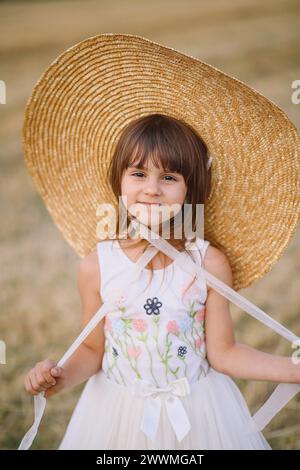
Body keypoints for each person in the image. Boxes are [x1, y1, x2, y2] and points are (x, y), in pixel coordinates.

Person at [20, 34, 300, 450]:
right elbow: (93, 350)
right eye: (138, 174)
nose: (151, 189)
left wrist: (294, 370)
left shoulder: (208, 262)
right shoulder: (97, 265)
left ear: (191, 190)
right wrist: (58, 377)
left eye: (168, 177)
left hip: (199, 412)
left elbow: (223, 354)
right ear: (118, 182)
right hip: (117, 416)